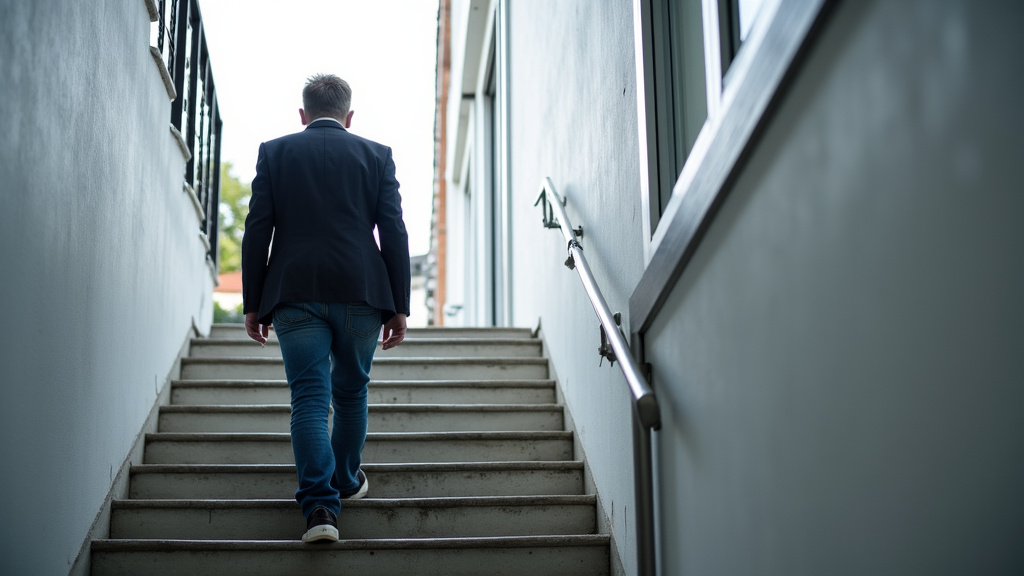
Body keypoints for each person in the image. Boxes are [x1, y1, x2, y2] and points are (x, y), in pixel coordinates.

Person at [241, 74, 410, 543]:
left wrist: (253, 303)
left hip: (293, 292)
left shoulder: (275, 152)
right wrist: (399, 306)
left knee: (309, 399)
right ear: (349, 116)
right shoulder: (376, 155)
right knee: (351, 394)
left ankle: (319, 509)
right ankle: (346, 481)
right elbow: (393, 232)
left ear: (303, 114)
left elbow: (258, 229)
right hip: (362, 292)